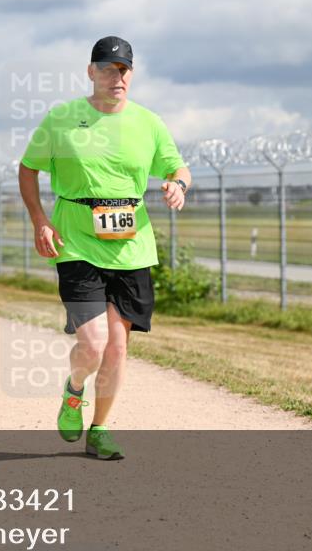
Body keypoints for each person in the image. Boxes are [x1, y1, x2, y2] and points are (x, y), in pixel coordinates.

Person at [18, 36, 191, 460]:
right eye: (110, 68)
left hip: (132, 247)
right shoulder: (62, 119)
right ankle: (74, 390)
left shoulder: (148, 123)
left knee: (117, 347)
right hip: (75, 241)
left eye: (125, 69)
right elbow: (27, 170)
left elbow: (177, 166)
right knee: (93, 344)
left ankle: (100, 429)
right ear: (92, 71)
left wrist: (178, 185)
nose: (118, 76)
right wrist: (40, 220)